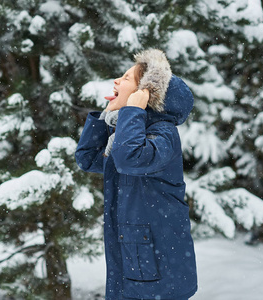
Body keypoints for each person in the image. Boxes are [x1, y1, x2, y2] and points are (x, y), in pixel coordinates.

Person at [75, 49, 197, 300]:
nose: (116, 81)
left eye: (126, 78)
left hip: (159, 269)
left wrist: (131, 111)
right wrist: (106, 115)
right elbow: (87, 159)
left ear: (145, 95)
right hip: (136, 259)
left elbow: (130, 159)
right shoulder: (127, 135)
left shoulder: (163, 133)